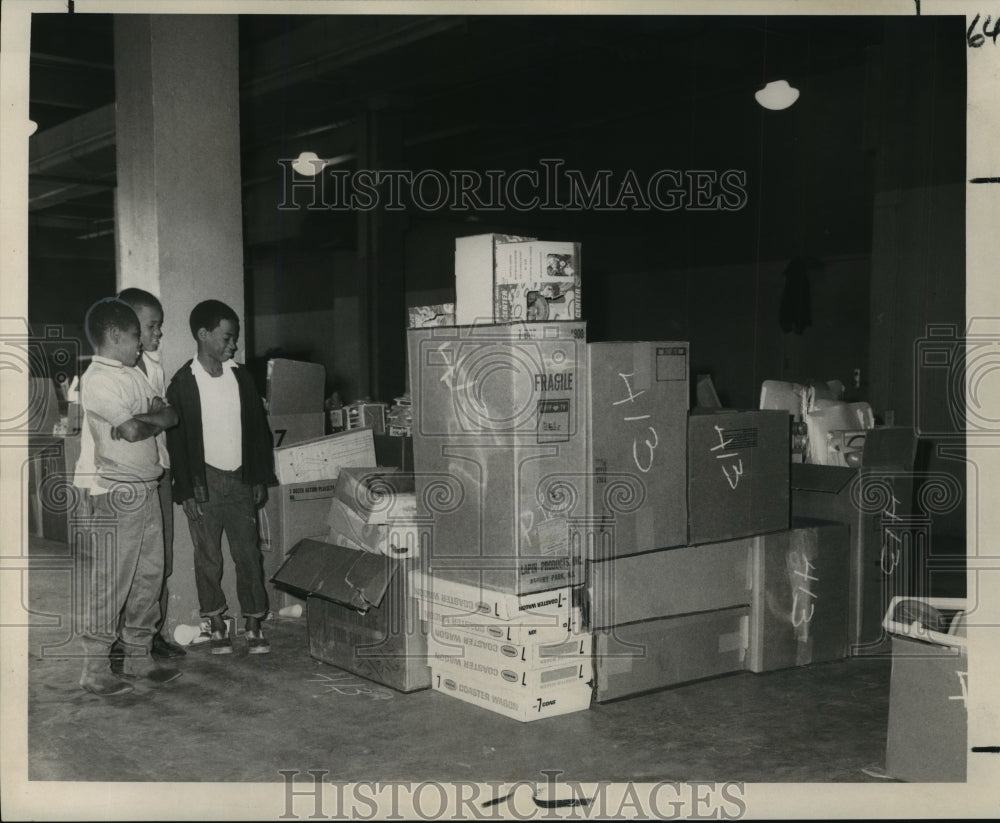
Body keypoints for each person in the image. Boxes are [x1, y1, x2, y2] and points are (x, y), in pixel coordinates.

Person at [77, 298, 182, 695]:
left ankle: (139, 655)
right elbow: (138, 430)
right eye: (137, 335)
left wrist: (144, 420)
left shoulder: (132, 373)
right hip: (119, 492)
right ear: (115, 335)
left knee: (149, 576)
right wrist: (147, 420)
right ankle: (96, 668)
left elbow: (168, 416)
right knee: (114, 579)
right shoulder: (99, 379)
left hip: (148, 487)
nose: (142, 343)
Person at [165, 300, 273, 655]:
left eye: (235, 339)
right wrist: (187, 493)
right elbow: (177, 444)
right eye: (227, 337)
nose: (233, 345)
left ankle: (254, 622)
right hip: (203, 484)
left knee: (248, 554)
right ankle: (215, 623)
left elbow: (259, 430)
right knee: (208, 557)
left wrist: (258, 476)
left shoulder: (240, 377)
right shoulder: (183, 383)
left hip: (241, 479)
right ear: (203, 334)